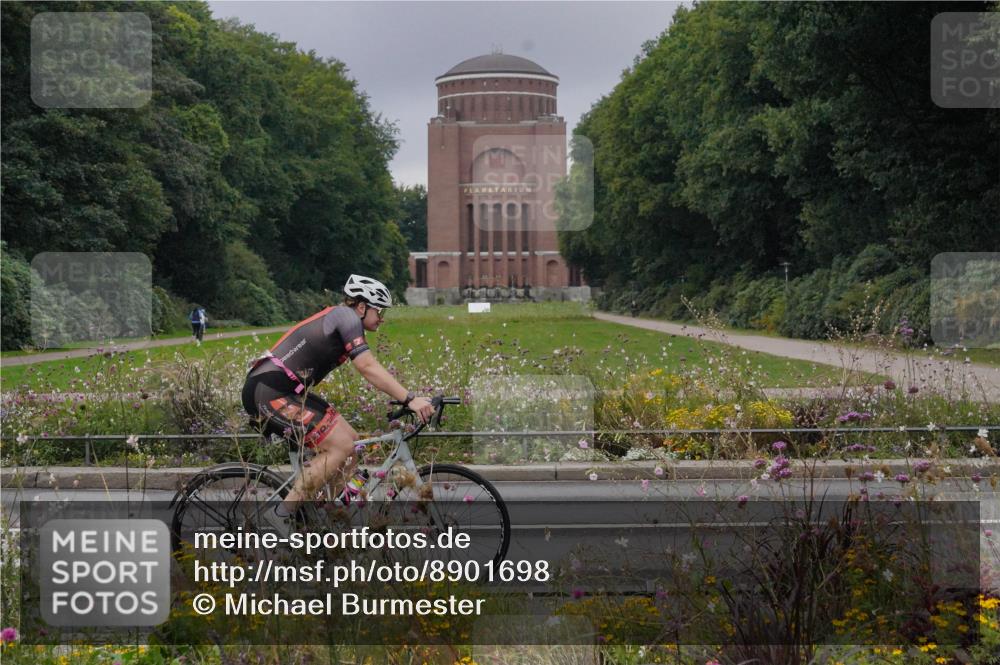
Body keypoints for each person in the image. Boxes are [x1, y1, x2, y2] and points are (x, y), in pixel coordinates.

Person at [242, 274, 435, 530]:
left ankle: (318, 520)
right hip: (267, 392)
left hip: (288, 391)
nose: (382, 318)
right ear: (362, 306)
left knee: (352, 443)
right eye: (379, 310)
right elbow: (367, 366)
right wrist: (410, 399)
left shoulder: (345, 318)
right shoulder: (346, 317)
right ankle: (281, 516)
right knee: (340, 446)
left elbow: (368, 366)